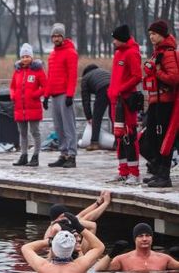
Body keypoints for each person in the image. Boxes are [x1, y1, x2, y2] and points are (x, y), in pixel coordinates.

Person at [141, 20, 179, 188]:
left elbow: (174, 78)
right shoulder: (157, 52)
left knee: (164, 138)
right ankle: (157, 170)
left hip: (165, 102)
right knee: (151, 136)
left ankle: (164, 174)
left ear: (162, 35)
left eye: (154, 34)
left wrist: (156, 71)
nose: (151, 37)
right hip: (155, 100)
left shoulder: (168, 53)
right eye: (149, 34)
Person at [108, 24, 144, 184]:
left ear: (122, 39)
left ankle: (134, 173)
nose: (113, 42)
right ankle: (123, 171)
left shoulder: (132, 53)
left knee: (130, 135)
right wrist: (112, 92)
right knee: (119, 136)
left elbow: (137, 76)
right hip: (116, 101)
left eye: (115, 39)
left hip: (127, 101)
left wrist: (121, 89)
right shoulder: (118, 54)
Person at [20, 226, 105, 273]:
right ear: (73, 248)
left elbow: (26, 248)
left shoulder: (42, 267)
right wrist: (80, 227)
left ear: (54, 246)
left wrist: (49, 242)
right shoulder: (80, 267)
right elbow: (99, 247)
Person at [45, 23, 79, 168]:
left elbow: (73, 75)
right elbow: (50, 77)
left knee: (68, 126)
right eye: (54, 36)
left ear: (63, 37)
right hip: (54, 94)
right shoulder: (52, 55)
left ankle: (72, 155)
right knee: (58, 127)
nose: (56, 38)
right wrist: (46, 96)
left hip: (65, 94)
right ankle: (63, 153)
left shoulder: (70, 52)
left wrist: (70, 95)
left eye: (59, 35)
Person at [9, 43, 46, 166]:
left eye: (27, 56)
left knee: (35, 132)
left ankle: (35, 156)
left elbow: (45, 87)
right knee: (22, 133)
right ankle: (23, 155)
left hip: (33, 107)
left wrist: (35, 94)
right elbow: (13, 86)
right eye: (23, 56)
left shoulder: (38, 71)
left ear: (32, 57)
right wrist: (13, 95)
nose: (25, 59)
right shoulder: (17, 72)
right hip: (20, 108)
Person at [96, 223, 179, 273]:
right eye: (140, 236)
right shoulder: (123, 259)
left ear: (152, 238)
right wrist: (112, 254)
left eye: (147, 235)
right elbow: (99, 270)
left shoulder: (164, 258)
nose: (144, 239)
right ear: (135, 239)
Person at [80, 64, 111, 151]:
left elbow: (86, 100)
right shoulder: (103, 71)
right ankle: (118, 142)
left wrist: (89, 117)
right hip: (114, 86)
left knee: (96, 117)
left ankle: (94, 143)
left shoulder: (85, 78)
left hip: (102, 89)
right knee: (114, 116)